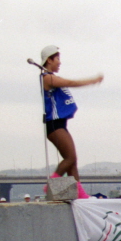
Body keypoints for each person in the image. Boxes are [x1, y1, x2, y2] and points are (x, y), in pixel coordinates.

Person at [38, 46, 103, 200]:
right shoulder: (47, 78)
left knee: (72, 161)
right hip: (54, 125)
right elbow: (72, 82)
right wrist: (93, 80)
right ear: (49, 60)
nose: (60, 62)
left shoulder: (50, 76)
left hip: (60, 125)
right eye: (57, 59)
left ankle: (79, 193)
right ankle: (52, 183)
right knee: (70, 158)